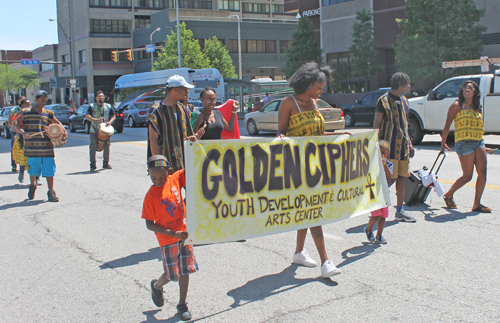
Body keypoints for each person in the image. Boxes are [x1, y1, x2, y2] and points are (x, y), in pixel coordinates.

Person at [276, 62, 343, 278]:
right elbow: (281, 133)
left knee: (307, 210)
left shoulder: (314, 103)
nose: (321, 91)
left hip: (316, 165)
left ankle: (298, 252)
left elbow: (316, 134)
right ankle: (326, 262)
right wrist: (282, 139)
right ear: (308, 84)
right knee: (313, 211)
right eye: (319, 87)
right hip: (296, 167)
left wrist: (339, 136)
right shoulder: (289, 102)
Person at [142, 155, 198, 321]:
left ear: (168, 171)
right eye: (153, 177)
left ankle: (182, 304)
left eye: (161, 176)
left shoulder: (174, 180)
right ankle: (157, 286)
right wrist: (173, 234)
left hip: (184, 235)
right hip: (168, 240)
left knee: (185, 269)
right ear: (149, 174)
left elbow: (192, 165)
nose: (157, 180)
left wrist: (194, 142)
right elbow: (149, 224)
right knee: (171, 274)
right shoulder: (150, 196)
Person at [440, 81, 490, 213]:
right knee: (467, 176)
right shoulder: (457, 105)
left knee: (483, 173)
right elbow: (447, 125)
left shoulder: (477, 106)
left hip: (479, 142)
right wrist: (443, 143)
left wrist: (485, 146)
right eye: (465, 88)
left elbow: (478, 126)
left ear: (475, 92)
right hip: (464, 143)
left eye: (470, 88)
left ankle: (476, 204)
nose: (467, 90)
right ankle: (449, 194)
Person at [373, 72, 416, 222]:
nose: (409, 86)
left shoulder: (405, 101)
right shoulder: (383, 101)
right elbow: (376, 125)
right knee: (387, 179)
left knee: (402, 178)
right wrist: (379, 146)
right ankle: (376, 207)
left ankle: (399, 211)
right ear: (400, 84)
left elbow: (404, 124)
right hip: (388, 147)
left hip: (402, 148)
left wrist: (409, 143)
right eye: (407, 83)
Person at [12, 91, 64, 202]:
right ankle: (32, 186)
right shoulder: (26, 112)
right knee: (33, 170)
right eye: (42, 100)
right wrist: (23, 133)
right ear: (36, 99)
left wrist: (57, 132)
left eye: (45, 100)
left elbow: (59, 125)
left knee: (49, 170)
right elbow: (14, 123)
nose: (43, 102)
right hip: (32, 148)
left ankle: (51, 192)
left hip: (47, 148)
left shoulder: (49, 113)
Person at [147, 75, 205, 171]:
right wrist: (159, 165)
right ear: (175, 90)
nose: (187, 92)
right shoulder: (156, 110)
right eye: (185, 89)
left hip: (184, 164)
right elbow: (153, 139)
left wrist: (195, 136)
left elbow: (184, 137)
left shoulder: (183, 109)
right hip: (166, 166)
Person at [365, 140, 393, 244]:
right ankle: (368, 229)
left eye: (383, 153)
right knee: (376, 215)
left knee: (383, 216)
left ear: (387, 154)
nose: (381, 156)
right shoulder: (371, 164)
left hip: (384, 194)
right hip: (374, 193)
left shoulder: (389, 164)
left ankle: (379, 235)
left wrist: (384, 165)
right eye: (379, 153)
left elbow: (389, 176)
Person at [85, 91, 115, 171]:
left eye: (102, 96)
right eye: (99, 96)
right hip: (94, 128)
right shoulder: (92, 106)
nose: (101, 97)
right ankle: (92, 164)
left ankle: (106, 163)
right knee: (93, 145)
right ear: (96, 98)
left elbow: (113, 115)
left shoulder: (108, 106)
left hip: (105, 129)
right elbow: (87, 116)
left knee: (107, 145)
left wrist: (110, 122)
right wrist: (95, 120)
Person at [8, 98, 32, 183]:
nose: (29, 106)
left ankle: (37, 178)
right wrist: (20, 132)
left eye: (29, 104)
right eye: (27, 104)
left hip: (32, 137)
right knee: (23, 157)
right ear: (21, 105)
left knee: (35, 158)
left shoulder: (32, 112)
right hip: (20, 136)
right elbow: (13, 123)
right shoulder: (17, 113)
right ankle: (20, 171)